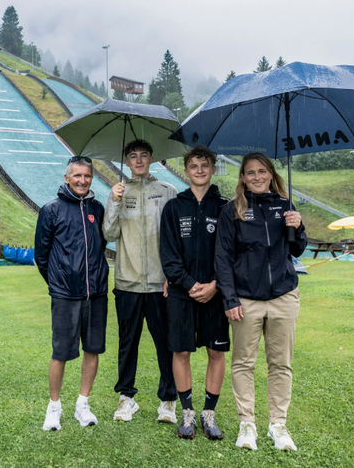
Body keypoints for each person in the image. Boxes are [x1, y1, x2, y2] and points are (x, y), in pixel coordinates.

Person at [214, 152, 307, 451]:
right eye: (250, 172)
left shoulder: (284, 205)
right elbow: (223, 259)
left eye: (262, 171)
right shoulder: (232, 211)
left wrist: (298, 225)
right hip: (245, 299)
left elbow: (297, 250)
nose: (256, 177)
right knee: (243, 363)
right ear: (242, 177)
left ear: (271, 174)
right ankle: (247, 424)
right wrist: (229, 298)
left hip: (284, 296)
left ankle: (278, 425)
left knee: (281, 364)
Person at [103, 140, 179, 424]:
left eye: (143, 155)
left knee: (166, 344)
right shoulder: (119, 192)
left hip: (161, 284)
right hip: (127, 283)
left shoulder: (167, 191)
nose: (138, 160)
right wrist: (114, 201)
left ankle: (168, 401)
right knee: (127, 344)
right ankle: (126, 398)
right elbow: (109, 234)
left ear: (151, 159)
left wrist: (172, 275)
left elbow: (174, 238)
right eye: (133, 156)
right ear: (126, 161)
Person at [160, 145, 230, 441]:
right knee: (181, 351)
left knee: (216, 351)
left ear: (213, 169)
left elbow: (231, 254)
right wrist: (189, 284)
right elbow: (169, 256)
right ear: (186, 170)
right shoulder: (173, 208)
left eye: (205, 165)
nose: (199, 170)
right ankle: (188, 412)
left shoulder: (226, 207)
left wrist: (215, 285)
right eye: (194, 166)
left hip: (216, 292)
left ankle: (208, 413)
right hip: (181, 293)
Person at [35, 156, 110, 431]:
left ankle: (82, 405)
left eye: (87, 176)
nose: (82, 180)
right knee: (61, 352)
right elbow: (41, 256)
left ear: (92, 179)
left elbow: (102, 245)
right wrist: (59, 281)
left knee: (93, 349)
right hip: (66, 294)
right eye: (77, 175)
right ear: (67, 178)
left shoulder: (98, 208)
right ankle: (54, 407)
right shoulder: (51, 209)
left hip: (96, 294)